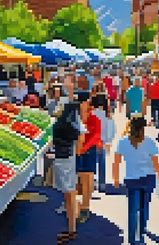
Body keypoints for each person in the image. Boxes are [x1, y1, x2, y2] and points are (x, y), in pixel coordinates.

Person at [113, 115, 159, 245]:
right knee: (144, 207)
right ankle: (140, 234)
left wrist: (116, 179)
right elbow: (155, 162)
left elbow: (116, 162)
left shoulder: (123, 142)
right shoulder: (149, 142)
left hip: (131, 178)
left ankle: (131, 238)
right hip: (148, 178)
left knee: (132, 210)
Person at [53, 91, 90, 244]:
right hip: (69, 161)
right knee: (70, 195)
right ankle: (71, 229)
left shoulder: (61, 121)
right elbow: (79, 148)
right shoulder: (77, 124)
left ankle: (71, 227)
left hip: (60, 159)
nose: (86, 111)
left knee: (69, 195)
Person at [74, 94, 102, 223]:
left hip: (89, 151)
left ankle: (85, 207)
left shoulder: (95, 119)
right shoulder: (74, 119)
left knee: (87, 177)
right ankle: (74, 205)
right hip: (77, 150)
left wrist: (84, 148)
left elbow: (96, 136)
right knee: (77, 178)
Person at [92, 93, 115, 192]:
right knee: (102, 162)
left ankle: (92, 182)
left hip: (93, 141)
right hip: (102, 140)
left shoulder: (92, 113)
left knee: (92, 162)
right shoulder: (107, 115)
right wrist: (108, 141)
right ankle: (102, 183)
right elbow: (112, 129)